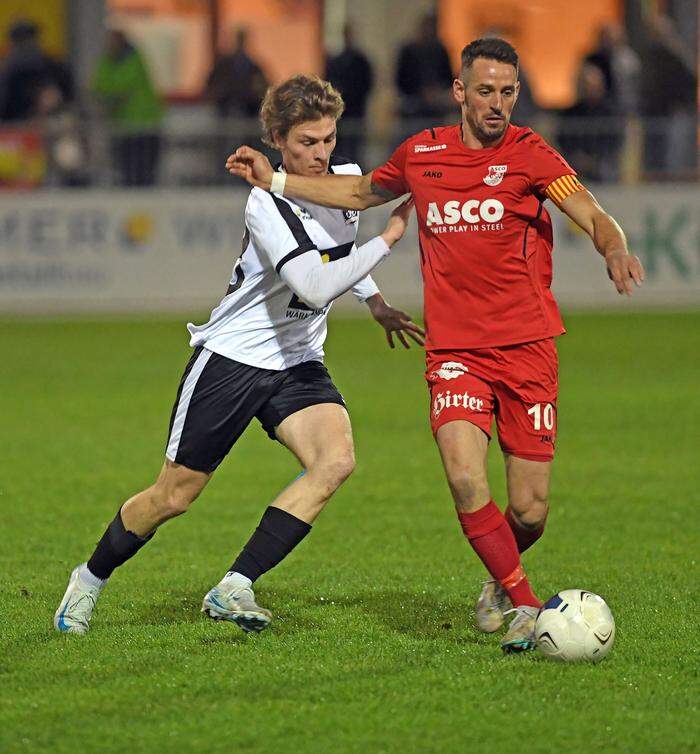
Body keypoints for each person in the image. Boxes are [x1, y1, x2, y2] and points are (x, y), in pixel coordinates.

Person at [226, 38, 645, 653]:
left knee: (529, 511)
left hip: (528, 349)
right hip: (456, 352)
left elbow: (590, 212)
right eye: (485, 91)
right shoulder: (423, 155)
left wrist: (614, 248)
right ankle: (527, 605)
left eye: (507, 92)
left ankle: (500, 580)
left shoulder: (532, 155)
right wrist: (279, 179)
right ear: (460, 92)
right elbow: (362, 192)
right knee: (463, 476)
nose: (496, 103)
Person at [54, 74, 422, 636]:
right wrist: (391, 237)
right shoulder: (264, 205)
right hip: (232, 359)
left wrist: (374, 301)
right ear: (277, 139)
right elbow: (314, 285)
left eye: (327, 140)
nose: (321, 155)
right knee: (174, 496)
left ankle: (236, 585)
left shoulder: (345, 181)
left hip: (297, 361)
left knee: (335, 460)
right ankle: (88, 579)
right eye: (306, 143)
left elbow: (339, 252)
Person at [91, 29, 164, 186]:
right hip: (124, 126)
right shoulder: (108, 60)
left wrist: (108, 93)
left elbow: (121, 86)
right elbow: (98, 85)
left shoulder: (134, 60)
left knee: (144, 171)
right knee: (126, 170)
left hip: (145, 125)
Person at [557, 62, 623, 182]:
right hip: (575, 161)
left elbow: (614, 140)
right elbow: (563, 138)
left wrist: (594, 160)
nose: (590, 90)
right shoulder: (570, 113)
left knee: (606, 171)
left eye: (593, 86)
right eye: (586, 86)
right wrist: (578, 156)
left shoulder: (610, 113)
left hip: (601, 163)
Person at [0, 18, 74, 122]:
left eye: (28, 39)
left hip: (53, 127)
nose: (26, 45)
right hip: (17, 130)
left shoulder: (55, 68)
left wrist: (57, 104)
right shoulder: (7, 74)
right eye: (21, 41)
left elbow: (71, 102)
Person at [395, 13, 454, 134]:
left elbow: (448, 76)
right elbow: (401, 78)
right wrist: (419, 91)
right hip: (413, 105)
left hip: (435, 107)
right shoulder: (408, 52)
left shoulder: (440, 50)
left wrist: (436, 91)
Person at [324, 24, 374, 163]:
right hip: (340, 115)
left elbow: (366, 84)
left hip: (356, 111)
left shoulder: (360, 61)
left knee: (355, 149)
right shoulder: (337, 61)